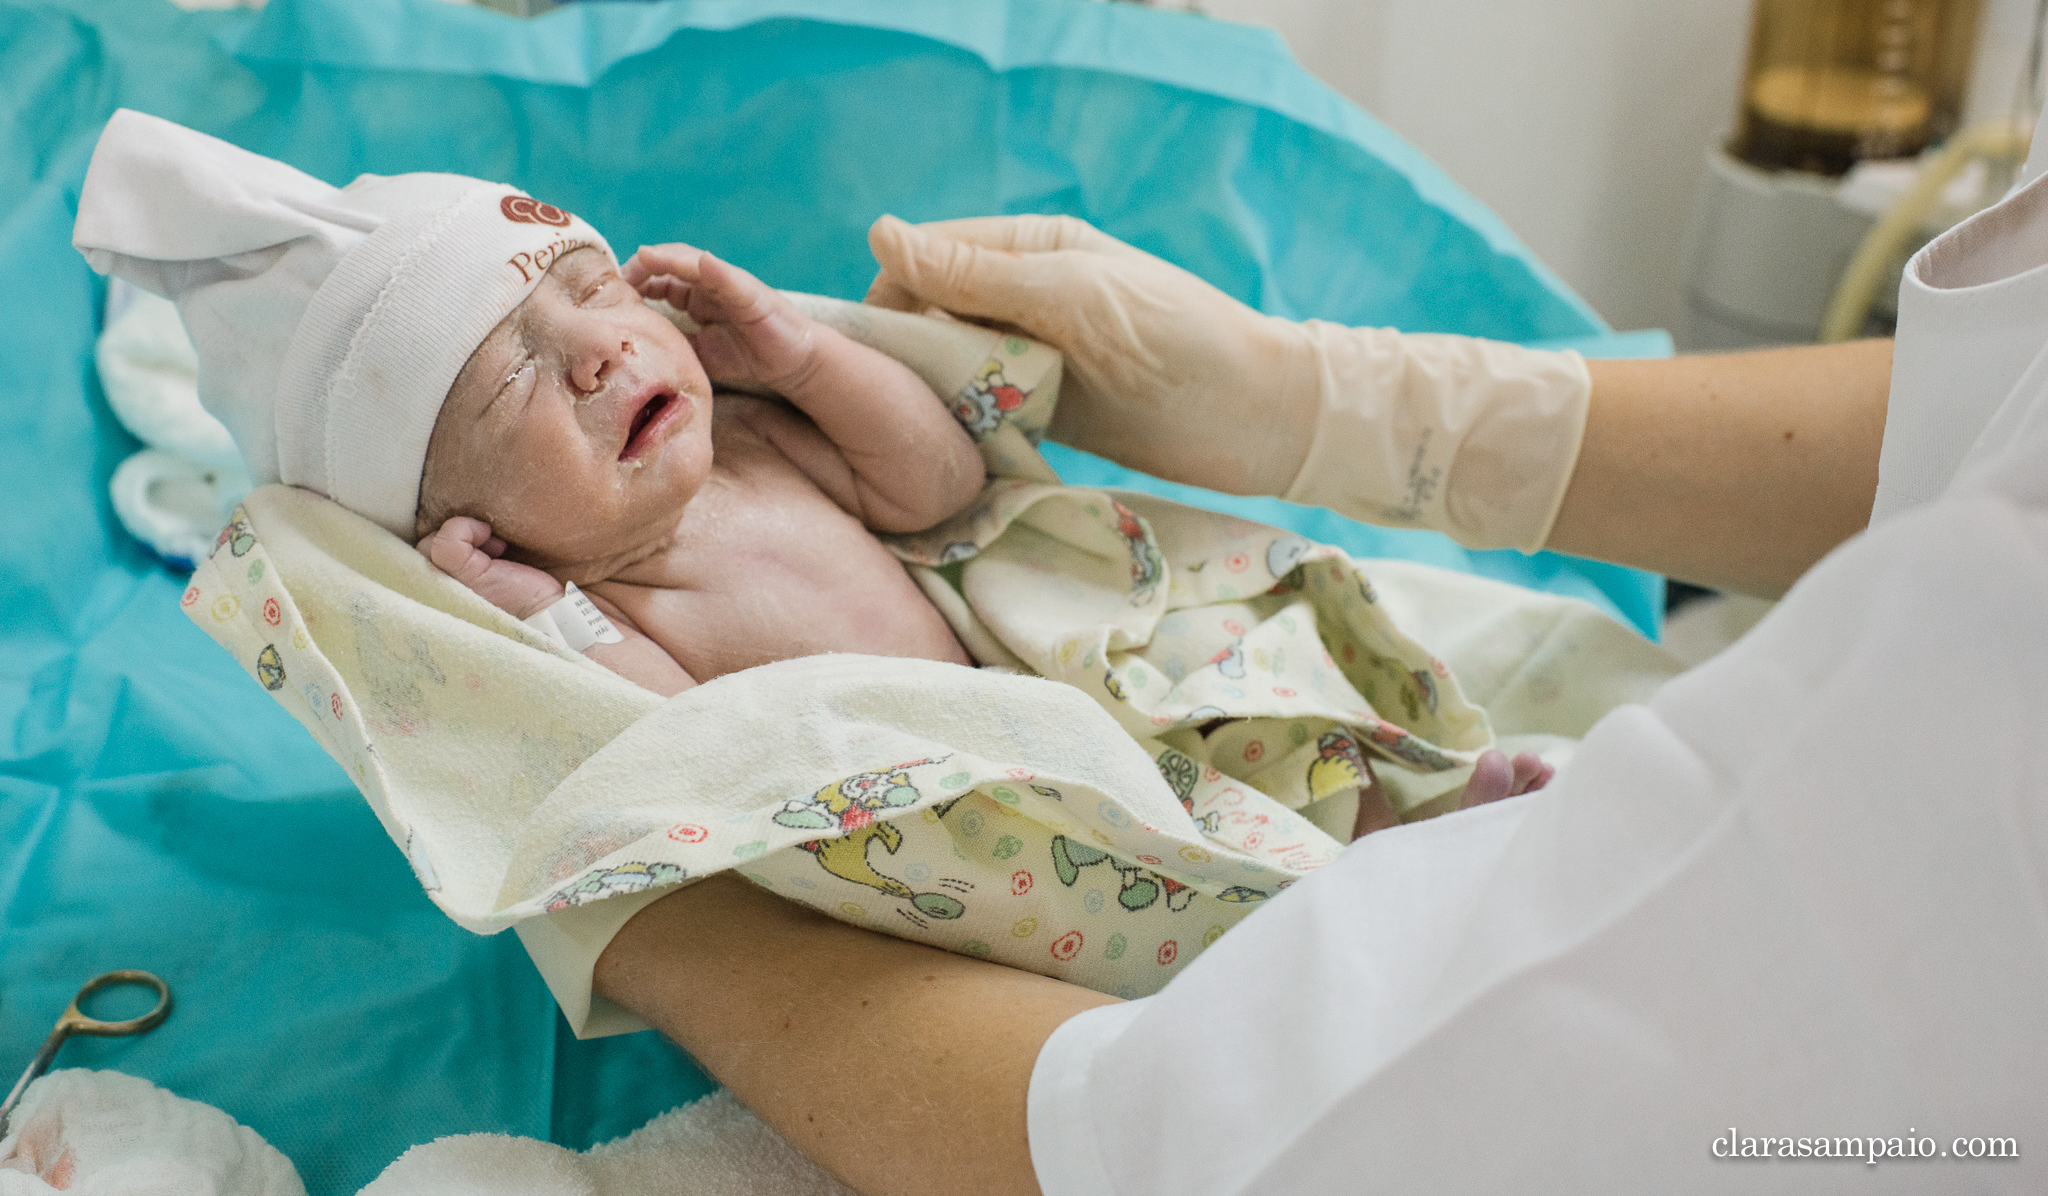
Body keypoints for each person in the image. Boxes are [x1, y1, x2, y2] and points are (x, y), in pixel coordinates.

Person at [591, 143, 2048, 1189]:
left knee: (1296, 794)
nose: (590, 353)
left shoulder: (754, 427)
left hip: (1119, 748)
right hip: (944, 837)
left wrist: (652, 925)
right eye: (506, 373)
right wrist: (1350, 406)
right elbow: (1988, 409)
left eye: (580, 293)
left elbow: (1213, 1140)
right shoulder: (567, 584)